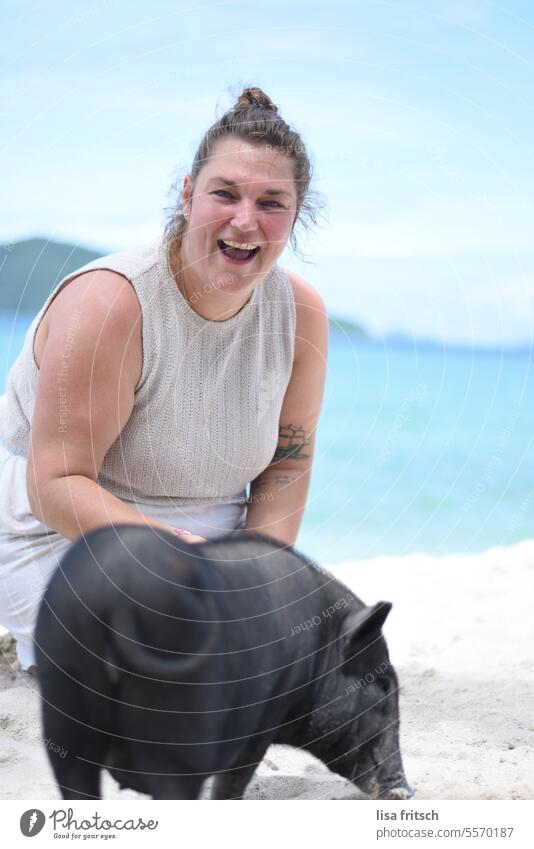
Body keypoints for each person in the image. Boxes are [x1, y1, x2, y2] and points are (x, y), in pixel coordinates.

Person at [0, 86, 328, 672]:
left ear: (295, 214)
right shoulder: (110, 306)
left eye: (272, 202)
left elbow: (288, 463)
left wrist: (256, 575)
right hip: (61, 530)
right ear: (187, 194)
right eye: (224, 194)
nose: (245, 220)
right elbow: (57, 485)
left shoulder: (300, 314)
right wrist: (180, 561)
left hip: (208, 543)